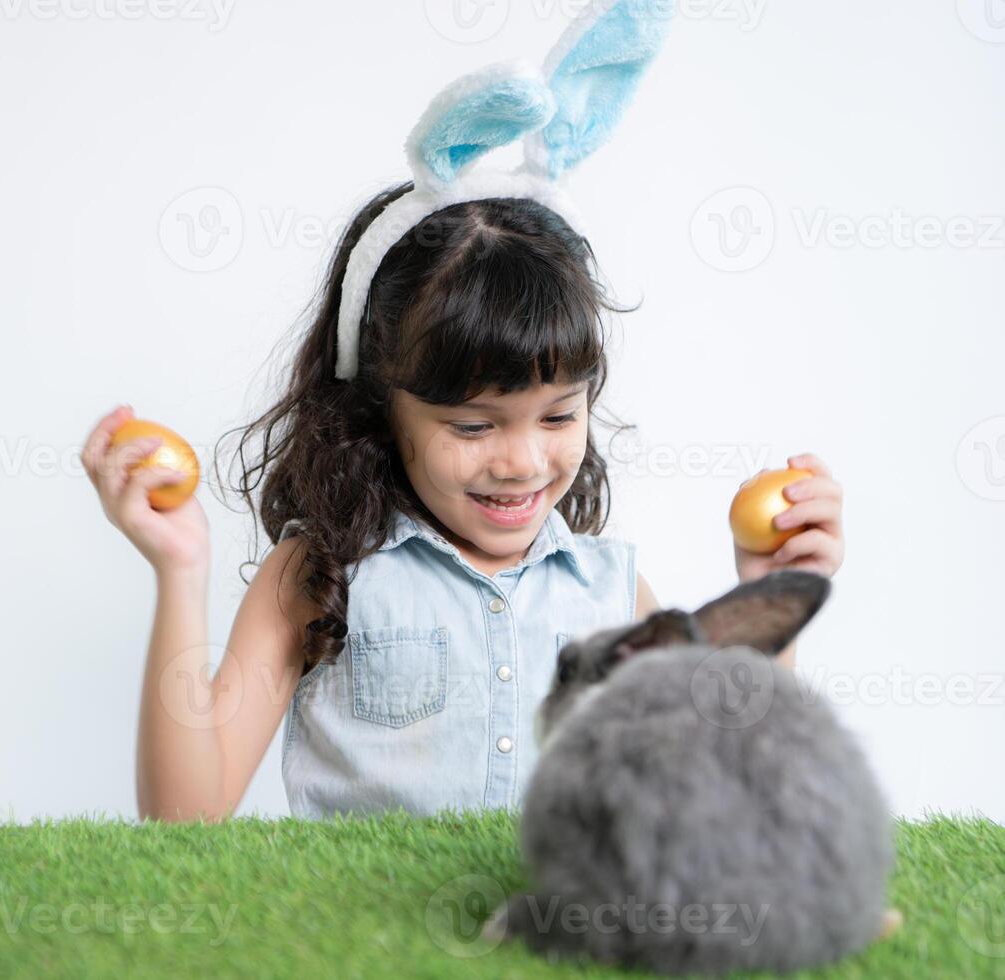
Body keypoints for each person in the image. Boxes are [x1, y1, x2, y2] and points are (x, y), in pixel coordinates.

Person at [84, 3, 845, 823]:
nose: (521, 461)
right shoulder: (322, 576)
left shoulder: (612, 595)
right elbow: (182, 821)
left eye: (558, 417)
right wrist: (180, 571)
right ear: (381, 407)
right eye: (474, 426)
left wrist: (776, 603)